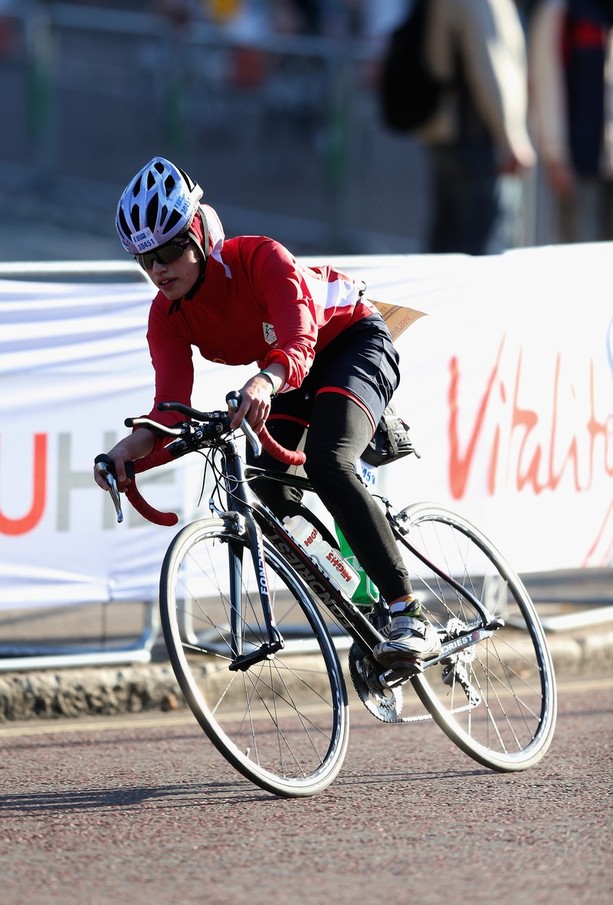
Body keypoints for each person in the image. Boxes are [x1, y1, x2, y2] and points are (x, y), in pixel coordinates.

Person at [93, 156, 440, 665]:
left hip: (350, 343)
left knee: (328, 462)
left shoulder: (260, 257)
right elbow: (169, 411)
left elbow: (299, 341)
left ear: (200, 234)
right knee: (265, 481)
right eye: (145, 260)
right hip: (286, 374)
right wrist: (129, 451)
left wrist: (264, 378)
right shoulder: (166, 315)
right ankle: (362, 605)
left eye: (169, 249)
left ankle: (409, 611)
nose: (158, 268)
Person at [418, 0, 536, 254]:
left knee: (449, 239)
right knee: (483, 245)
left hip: (447, 131)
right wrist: (512, 139)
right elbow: (488, 68)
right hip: (475, 135)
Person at [528, 0, 613, 243]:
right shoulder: (561, 10)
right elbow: (546, 83)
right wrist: (556, 154)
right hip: (579, 162)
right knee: (581, 260)